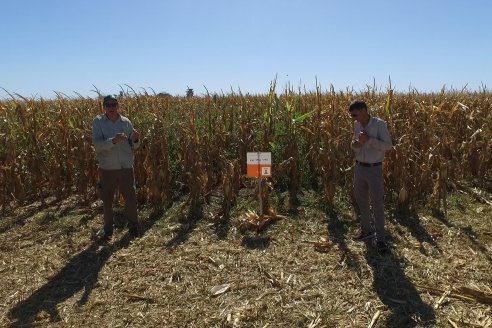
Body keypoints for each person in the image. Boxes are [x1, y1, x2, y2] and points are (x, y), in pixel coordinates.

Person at [92, 95, 141, 241]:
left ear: (118, 106)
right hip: (107, 169)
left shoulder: (126, 122)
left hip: (126, 167)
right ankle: (108, 231)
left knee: (131, 199)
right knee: (107, 201)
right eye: (108, 105)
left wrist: (136, 139)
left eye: (114, 105)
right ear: (104, 107)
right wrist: (113, 141)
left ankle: (134, 228)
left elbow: (134, 145)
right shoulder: (98, 122)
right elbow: (97, 145)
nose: (111, 108)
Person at [349, 100, 392, 253]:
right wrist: (357, 143)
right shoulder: (357, 125)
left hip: (374, 169)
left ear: (364, 110)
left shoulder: (379, 124)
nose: (354, 118)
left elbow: (388, 145)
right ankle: (366, 231)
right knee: (362, 202)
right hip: (359, 167)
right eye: (352, 116)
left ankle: (380, 239)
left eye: (355, 115)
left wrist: (369, 140)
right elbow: (353, 144)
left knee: (377, 204)